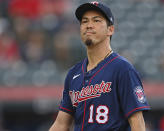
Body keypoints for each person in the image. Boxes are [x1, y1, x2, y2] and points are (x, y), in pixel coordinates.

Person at [49, 1, 150, 131]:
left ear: (110, 29)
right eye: (84, 21)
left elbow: (138, 124)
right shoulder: (73, 73)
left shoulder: (122, 69)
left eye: (96, 21)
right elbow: (61, 124)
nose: (89, 25)